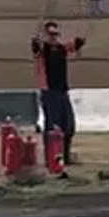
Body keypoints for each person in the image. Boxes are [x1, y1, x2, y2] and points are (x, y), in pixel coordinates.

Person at [31, 22, 85, 165]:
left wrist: (79, 42)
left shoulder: (61, 48)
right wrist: (36, 43)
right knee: (52, 126)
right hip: (49, 91)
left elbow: (72, 46)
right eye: (50, 34)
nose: (53, 37)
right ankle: (51, 158)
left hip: (62, 91)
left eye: (55, 34)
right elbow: (37, 50)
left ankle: (65, 157)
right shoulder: (43, 49)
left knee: (68, 126)